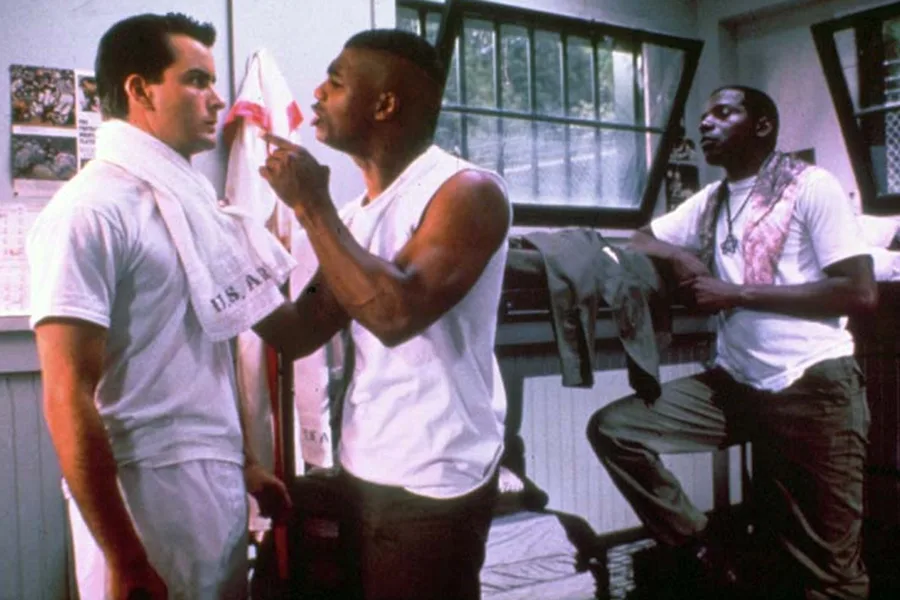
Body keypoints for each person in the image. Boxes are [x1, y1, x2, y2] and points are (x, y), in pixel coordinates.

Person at [27, 13, 292, 600]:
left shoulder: (194, 209)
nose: (217, 99)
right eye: (196, 80)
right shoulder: (90, 211)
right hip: (142, 492)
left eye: (213, 82)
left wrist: (244, 463)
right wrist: (124, 558)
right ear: (140, 90)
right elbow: (66, 395)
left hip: (214, 482)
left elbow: (200, 354)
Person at [587, 85, 877, 599]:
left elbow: (859, 292)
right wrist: (680, 257)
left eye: (723, 113)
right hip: (738, 386)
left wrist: (736, 293)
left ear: (762, 125)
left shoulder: (812, 186)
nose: (706, 123)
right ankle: (701, 546)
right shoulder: (713, 199)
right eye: (704, 116)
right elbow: (640, 238)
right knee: (616, 430)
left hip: (814, 389)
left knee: (829, 574)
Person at [253, 29, 511, 600]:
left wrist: (310, 205)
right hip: (363, 465)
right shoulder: (356, 216)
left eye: (335, 82)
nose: (317, 93)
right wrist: (221, 255)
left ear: (385, 104)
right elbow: (299, 332)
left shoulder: (467, 192)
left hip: (434, 476)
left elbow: (395, 316)